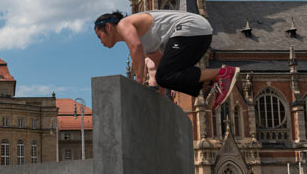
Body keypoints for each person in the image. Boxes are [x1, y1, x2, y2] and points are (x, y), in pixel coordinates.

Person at [94, 10, 239, 111]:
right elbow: (159, 63)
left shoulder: (123, 24)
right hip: (200, 34)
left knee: (165, 75)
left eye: (99, 35)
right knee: (166, 77)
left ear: (108, 27)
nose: (100, 41)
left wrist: (138, 84)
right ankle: (208, 82)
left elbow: (135, 47)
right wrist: (162, 94)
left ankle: (222, 73)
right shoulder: (143, 40)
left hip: (191, 29)